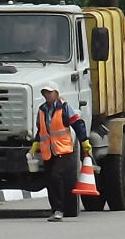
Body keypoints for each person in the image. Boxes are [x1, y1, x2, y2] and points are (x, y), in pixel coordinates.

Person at [36, 82, 89, 222]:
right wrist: (35, 144)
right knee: (49, 180)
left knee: (56, 176)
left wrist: (84, 141)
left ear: (56, 93)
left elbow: (77, 124)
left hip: (63, 150)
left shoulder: (65, 107)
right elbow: (41, 129)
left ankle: (59, 209)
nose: (47, 95)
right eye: (45, 93)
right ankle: (54, 210)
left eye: (50, 92)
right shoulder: (42, 109)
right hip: (48, 151)